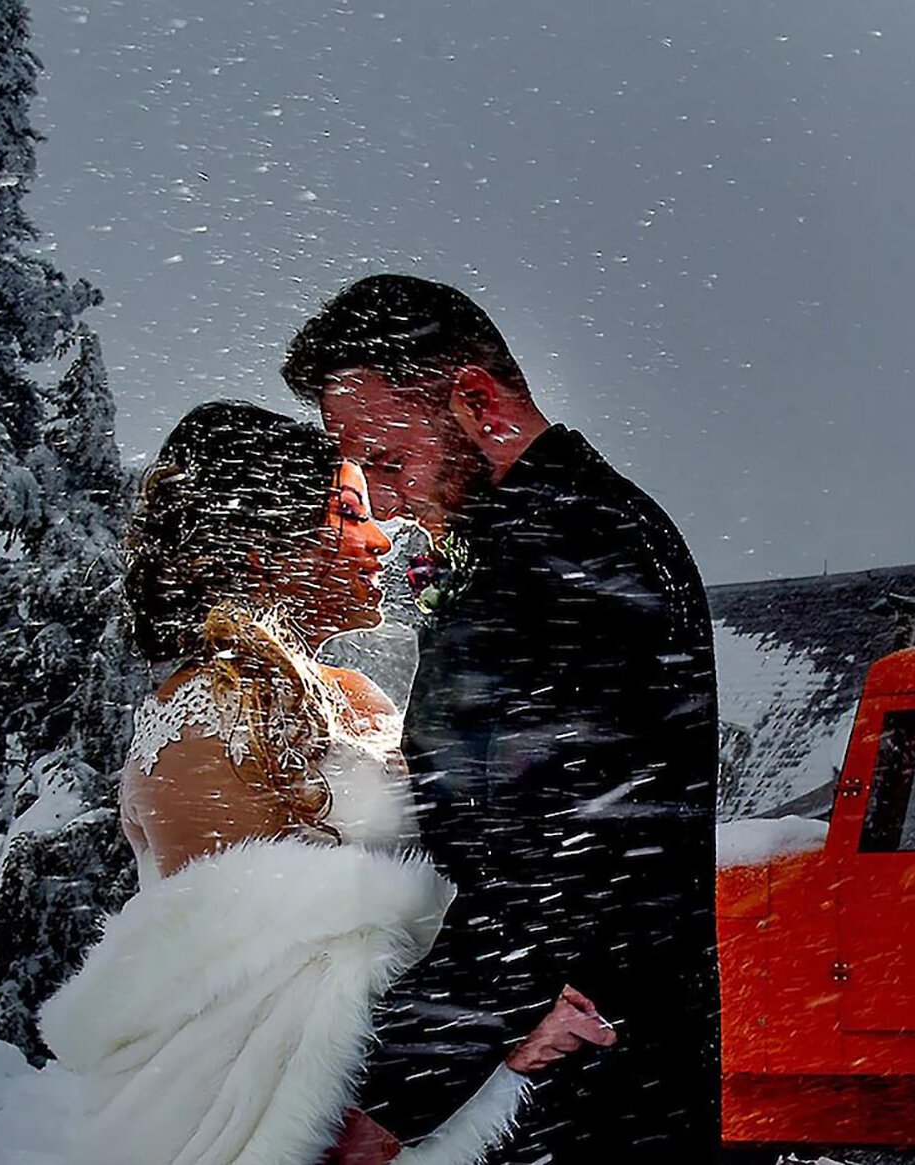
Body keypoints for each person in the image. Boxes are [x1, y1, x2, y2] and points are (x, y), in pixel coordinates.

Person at [39, 401, 616, 1165]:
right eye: (347, 511)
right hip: (253, 1124)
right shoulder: (201, 720)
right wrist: (497, 1029)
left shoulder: (350, 692)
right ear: (261, 540)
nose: (380, 536)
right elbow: (267, 992)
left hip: (408, 1097)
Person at [282, 275, 720, 1164]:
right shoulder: (574, 527)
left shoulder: (564, 552)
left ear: (476, 399)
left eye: (390, 461)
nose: (386, 500)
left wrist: (391, 1095)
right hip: (595, 1069)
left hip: (570, 1098)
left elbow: (550, 866)